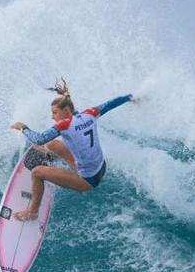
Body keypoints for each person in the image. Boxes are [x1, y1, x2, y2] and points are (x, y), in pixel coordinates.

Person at [9, 78, 135, 221]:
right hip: (101, 167)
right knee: (52, 144)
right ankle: (51, 166)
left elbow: (39, 139)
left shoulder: (65, 125)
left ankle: (32, 212)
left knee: (37, 172)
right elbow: (112, 103)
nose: (52, 117)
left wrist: (22, 127)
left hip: (87, 180)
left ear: (67, 110)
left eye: (55, 113)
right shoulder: (90, 113)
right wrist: (130, 98)